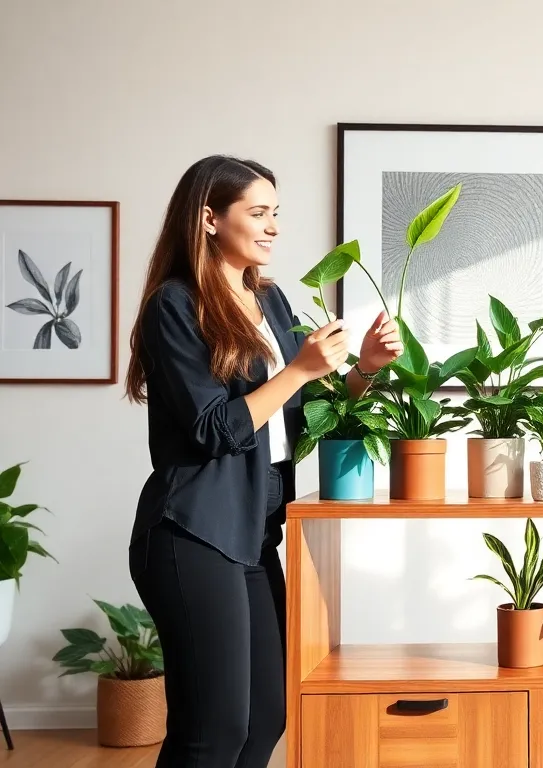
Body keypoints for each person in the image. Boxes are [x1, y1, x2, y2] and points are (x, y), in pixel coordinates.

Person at [123, 155, 402, 768]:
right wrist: (301, 365)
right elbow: (213, 428)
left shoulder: (270, 303)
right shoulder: (175, 305)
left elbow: (296, 416)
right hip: (192, 533)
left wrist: (362, 372)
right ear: (208, 218)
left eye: (276, 213)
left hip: (252, 535)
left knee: (265, 721)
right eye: (257, 212)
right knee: (212, 732)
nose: (273, 226)